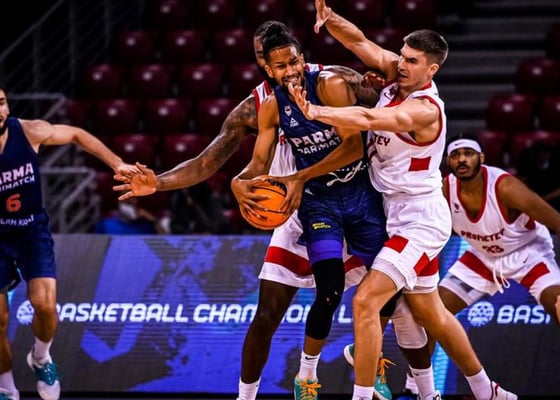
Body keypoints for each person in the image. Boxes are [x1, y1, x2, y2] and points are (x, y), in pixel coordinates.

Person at [113, 21, 395, 400]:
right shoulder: (258, 106)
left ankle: (385, 370)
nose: (276, 64)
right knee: (268, 313)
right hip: (295, 209)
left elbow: (382, 101)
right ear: (262, 63)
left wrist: (378, 88)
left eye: (283, 57)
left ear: (297, 55)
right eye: (264, 57)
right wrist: (160, 184)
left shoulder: (333, 79)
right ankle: (249, 395)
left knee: (397, 292)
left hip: (351, 195)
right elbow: (207, 161)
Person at [286, 1, 518, 399]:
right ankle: (487, 392)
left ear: (432, 69)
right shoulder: (398, 77)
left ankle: (362, 396)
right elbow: (360, 43)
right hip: (392, 210)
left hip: (419, 219)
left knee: (365, 302)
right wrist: (331, 19)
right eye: (403, 56)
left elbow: (368, 119)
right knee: (431, 313)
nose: (402, 64)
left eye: (412, 61)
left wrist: (315, 110)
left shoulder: (425, 109)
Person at [0, 83, 139, 400]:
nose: (0, 110)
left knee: (46, 306)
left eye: (2, 102)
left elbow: (76, 134)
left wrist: (117, 163)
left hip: (31, 231)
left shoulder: (29, 131)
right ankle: (6, 388)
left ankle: (40, 357)